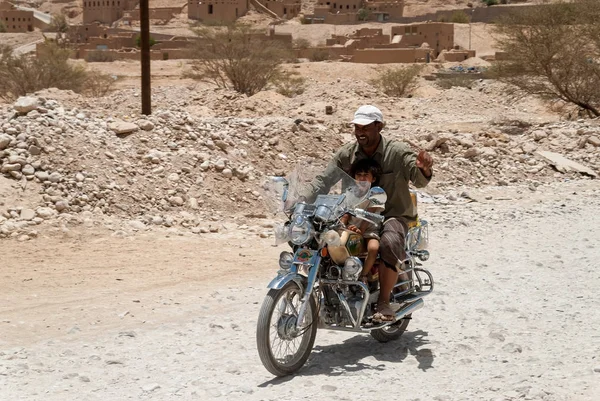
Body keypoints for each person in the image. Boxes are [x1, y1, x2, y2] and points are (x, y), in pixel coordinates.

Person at [305, 105, 434, 322]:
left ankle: (384, 302)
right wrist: (300, 201)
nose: (360, 132)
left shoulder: (398, 151)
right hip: (356, 213)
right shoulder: (347, 154)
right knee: (318, 236)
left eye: (365, 127)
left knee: (389, 242)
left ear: (379, 126)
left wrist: (425, 169)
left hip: (393, 214)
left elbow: (419, 179)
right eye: (357, 127)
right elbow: (323, 180)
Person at [339, 158, 385, 284]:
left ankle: (363, 275)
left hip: (369, 230)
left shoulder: (377, 193)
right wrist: (342, 224)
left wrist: (361, 230)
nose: (362, 178)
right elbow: (346, 212)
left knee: (373, 248)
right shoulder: (350, 192)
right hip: (351, 229)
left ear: (373, 178)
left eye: (366, 175)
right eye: (359, 175)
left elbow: (370, 215)